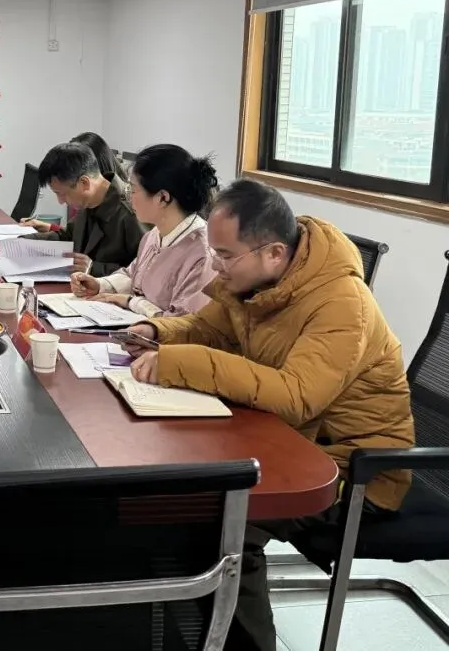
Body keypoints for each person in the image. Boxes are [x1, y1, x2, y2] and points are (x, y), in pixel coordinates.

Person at [123, 180, 415, 651]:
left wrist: (181, 363)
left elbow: (298, 396)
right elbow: (206, 329)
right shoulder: (255, 280)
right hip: (285, 440)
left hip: (352, 472)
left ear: (274, 252)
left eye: (224, 255)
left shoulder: (342, 303)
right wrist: (156, 331)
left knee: (217, 520)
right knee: (174, 491)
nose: (215, 265)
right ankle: (179, 620)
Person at [70, 144, 218, 317]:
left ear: (163, 197)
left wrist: (131, 301)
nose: (128, 197)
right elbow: (133, 275)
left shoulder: (202, 255)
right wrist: (100, 285)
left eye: (132, 190)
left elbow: (180, 322)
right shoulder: (153, 235)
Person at [21, 142, 146, 277]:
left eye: (62, 194)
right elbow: (69, 236)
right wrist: (23, 242)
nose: (61, 201)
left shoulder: (132, 212)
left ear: (84, 183)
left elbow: (146, 271)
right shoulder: (88, 201)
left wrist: (94, 268)